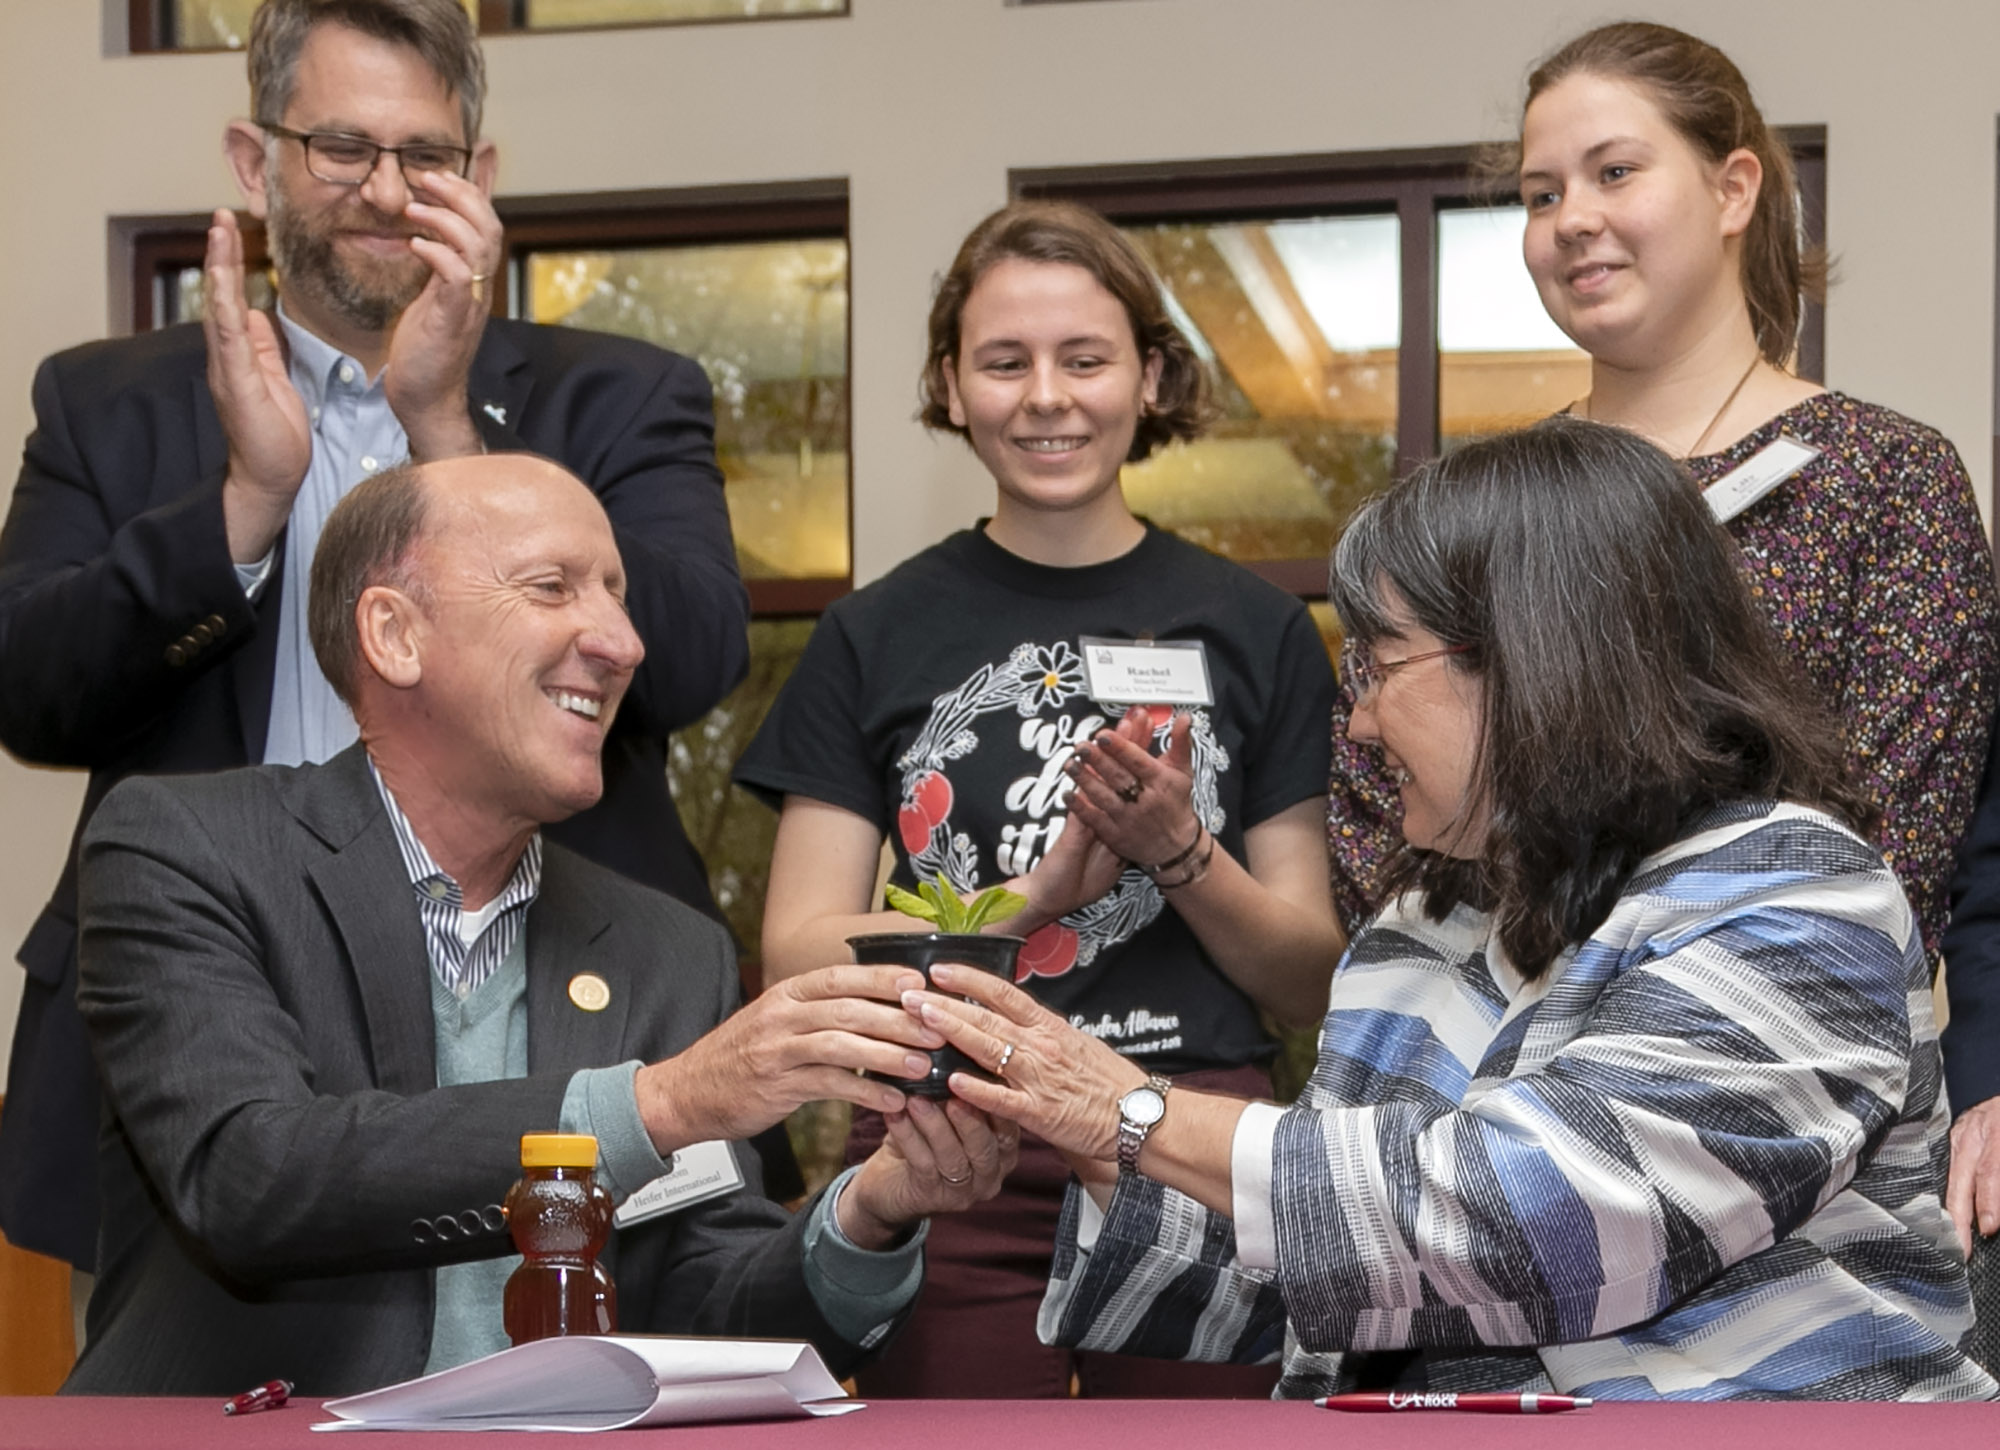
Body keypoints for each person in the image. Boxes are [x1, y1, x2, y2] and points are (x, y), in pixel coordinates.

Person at [910, 417, 1994, 1402]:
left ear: (1531, 660)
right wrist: (1071, 1132)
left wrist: (1136, 1114)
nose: (1362, 725)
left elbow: (1546, 1218)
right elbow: (1319, 1286)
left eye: (1377, 666)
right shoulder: (1418, 925)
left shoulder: (1796, 896)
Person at [0, 0, 752, 1273]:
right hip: (209, 1010)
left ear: (483, 177)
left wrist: (450, 428)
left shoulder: (618, 392)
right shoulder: (106, 400)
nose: (386, 191)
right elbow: (30, 691)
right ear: (254, 161)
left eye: (427, 157)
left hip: (548, 993)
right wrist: (247, 499)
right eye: (340, 148)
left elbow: (688, 658)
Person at [63, 452, 1013, 1396]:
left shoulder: (666, 949)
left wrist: (873, 1213)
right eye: (553, 587)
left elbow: (714, 1311)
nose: (623, 641)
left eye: (616, 594)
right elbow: (251, 1178)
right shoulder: (187, 848)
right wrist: (663, 1104)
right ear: (395, 635)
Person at [733, 201, 1342, 1398]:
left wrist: (1178, 852)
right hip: (948, 1132)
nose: (1045, 396)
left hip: (1185, 1133)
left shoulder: (1256, 629)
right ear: (950, 385)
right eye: (1003, 362)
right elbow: (794, 952)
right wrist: (1024, 899)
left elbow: (1309, 976)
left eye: (1085, 357)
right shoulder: (873, 632)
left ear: (1149, 375)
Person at [1325, 21, 1997, 966]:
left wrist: (1665, 1002)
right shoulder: (1468, 510)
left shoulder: (1885, 476)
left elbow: (1897, 836)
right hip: (1491, 1054)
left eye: (1614, 173)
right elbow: (1376, 821)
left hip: (1778, 1054)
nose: (1570, 219)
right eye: (1541, 193)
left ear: (1733, 189)